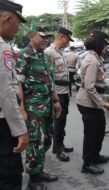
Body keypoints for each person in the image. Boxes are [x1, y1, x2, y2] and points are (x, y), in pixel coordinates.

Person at [16, 26, 62, 190]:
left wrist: (56, 100)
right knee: (36, 142)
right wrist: (21, 108)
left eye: (48, 37)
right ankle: (33, 180)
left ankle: (39, 170)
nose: (46, 40)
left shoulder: (46, 56)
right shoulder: (23, 55)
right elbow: (18, 83)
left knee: (47, 139)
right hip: (32, 108)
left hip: (47, 106)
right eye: (42, 37)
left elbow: (50, 80)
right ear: (31, 36)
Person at [76, 30, 109, 175]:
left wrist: (102, 101)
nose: (106, 48)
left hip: (93, 101)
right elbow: (89, 87)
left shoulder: (96, 58)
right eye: (105, 45)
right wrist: (104, 103)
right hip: (88, 102)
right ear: (99, 44)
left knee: (99, 130)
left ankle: (95, 156)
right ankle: (87, 164)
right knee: (92, 133)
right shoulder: (92, 61)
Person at [0, 1, 29, 189]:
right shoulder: (3, 49)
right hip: (3, 125)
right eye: (17, 25)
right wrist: (21, 131)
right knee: (9, 176)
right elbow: (6, 93)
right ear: (8, 19)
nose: (17, 30)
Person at [46, 27, 74, 162]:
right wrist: (55, 96)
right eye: (68, 40)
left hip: (64, 92)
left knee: (62, 120)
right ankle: (58, 148)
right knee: (58, 120)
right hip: (57, 92)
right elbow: (49, 77)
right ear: (61, 37)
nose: (68, 43)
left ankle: (60, 144)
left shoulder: (60, 52)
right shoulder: (49, 52)